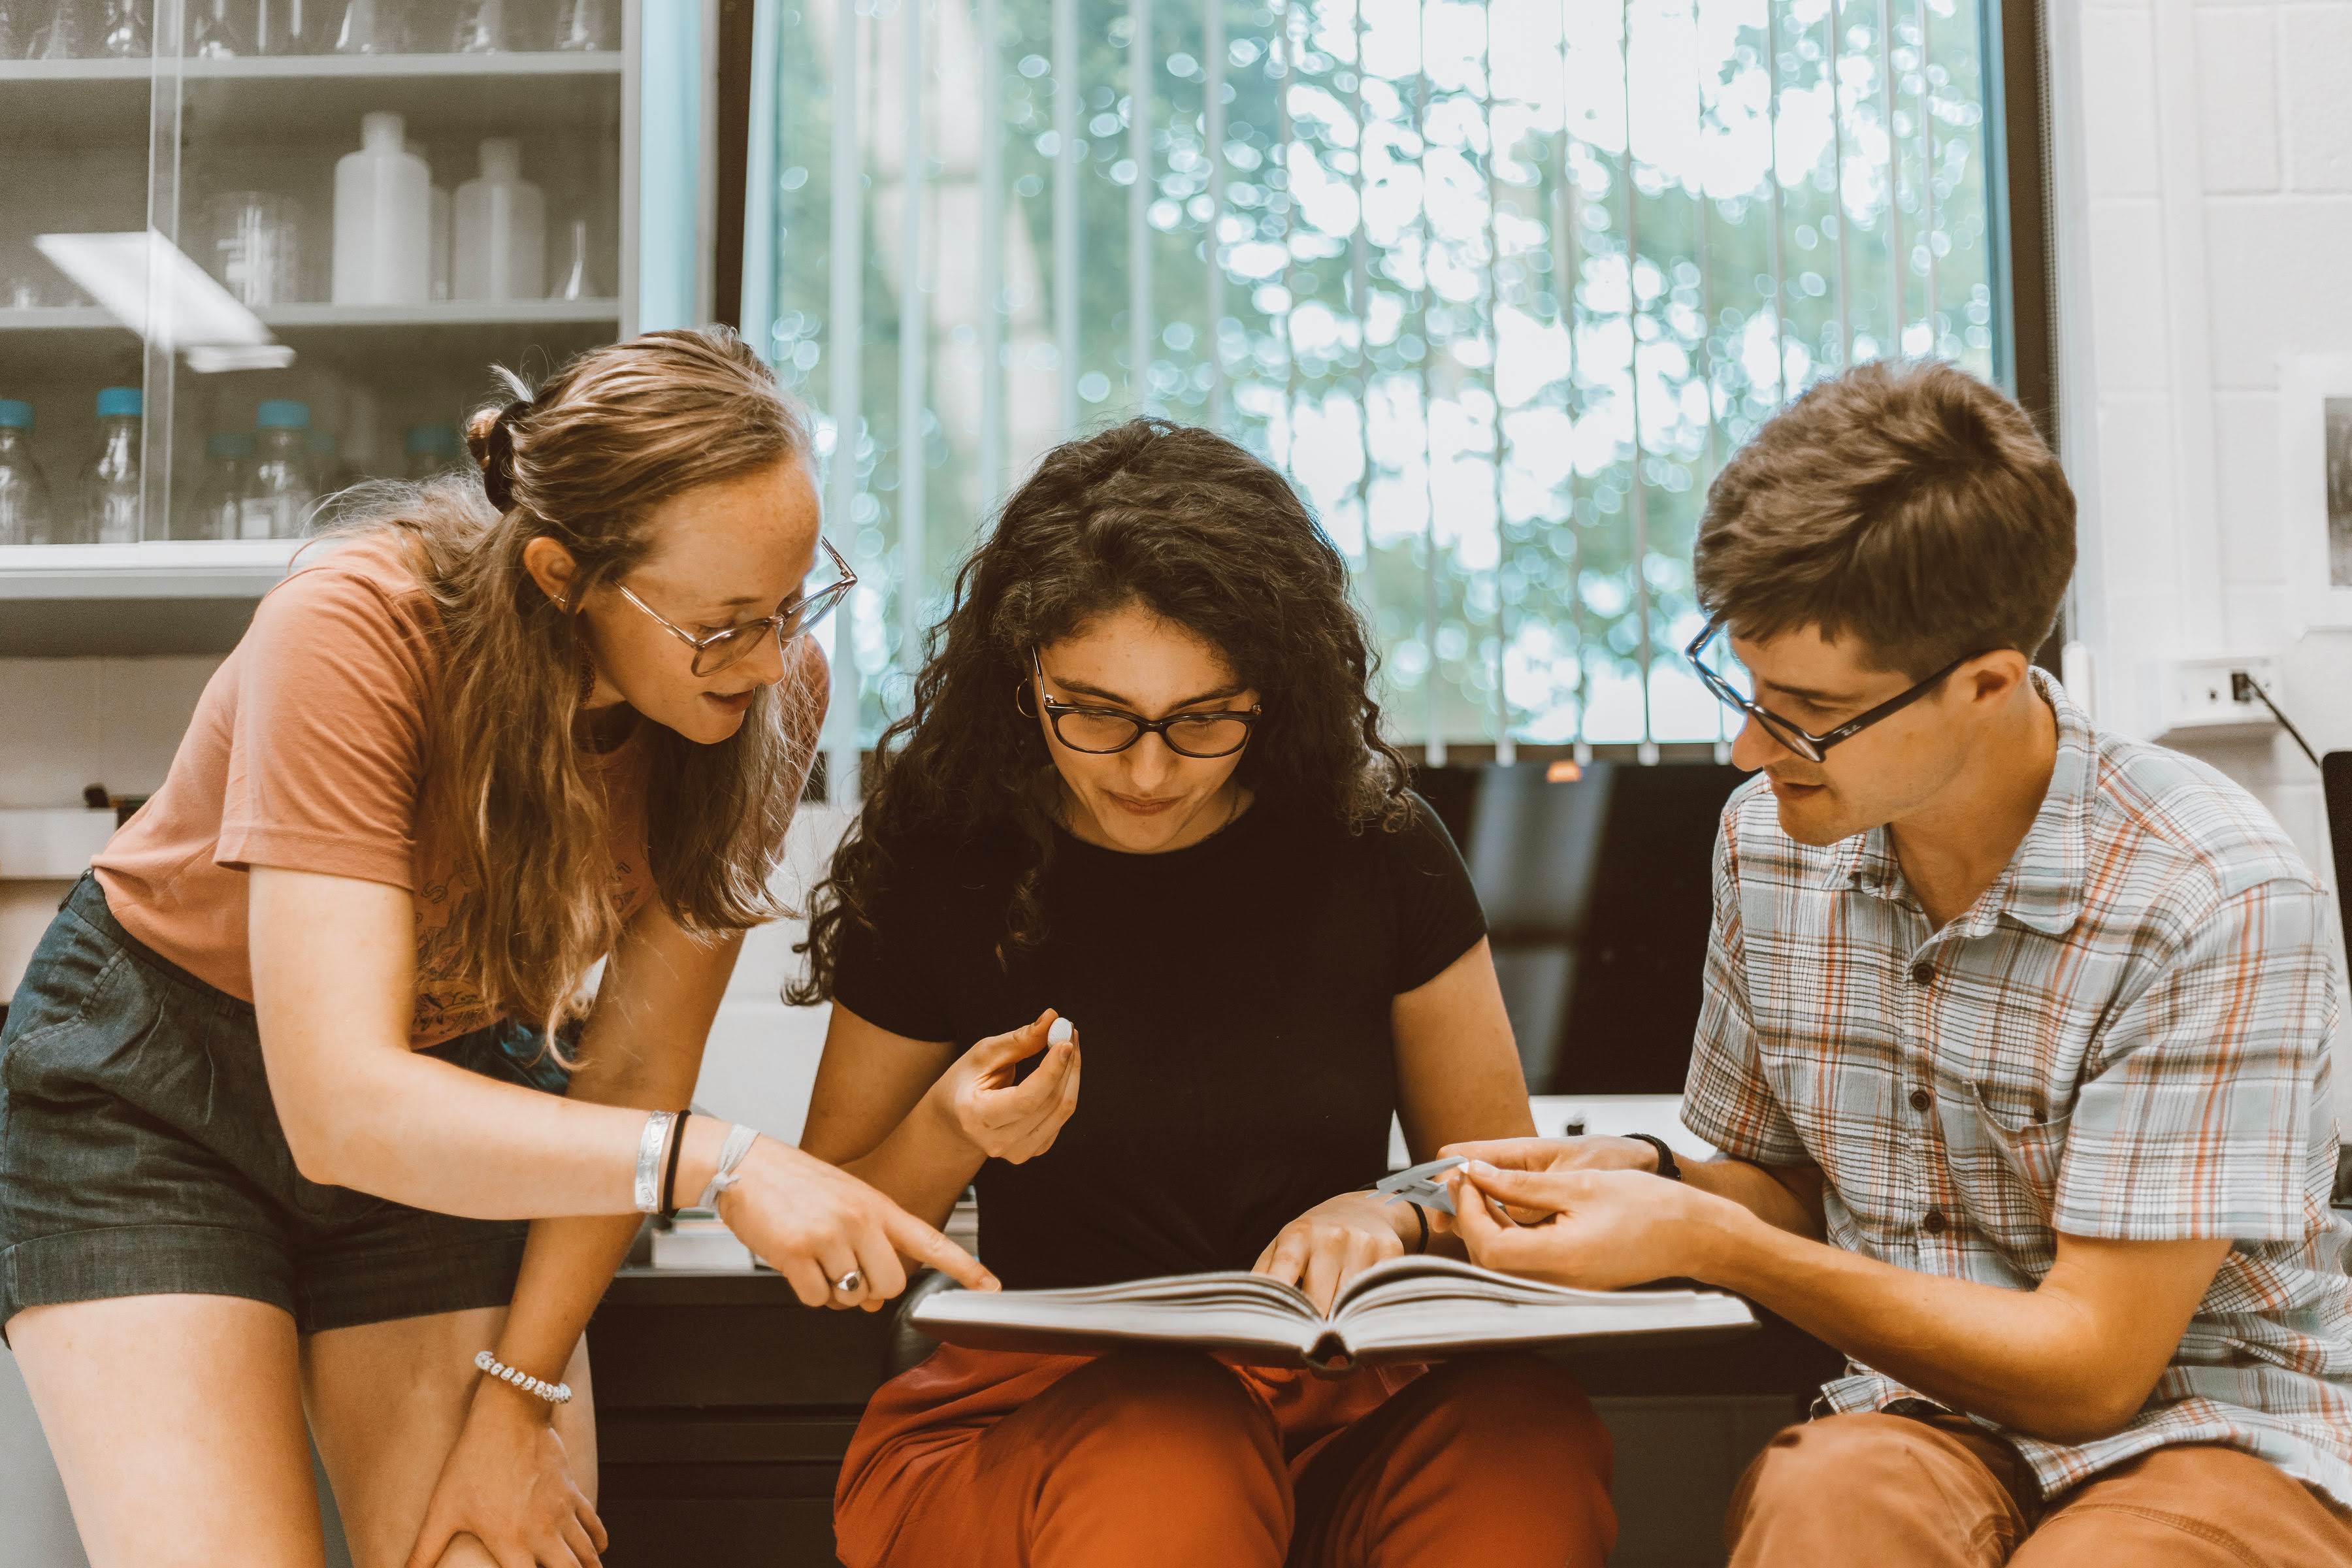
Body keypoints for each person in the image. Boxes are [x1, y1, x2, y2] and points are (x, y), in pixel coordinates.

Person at [0, 327, 992, 1568]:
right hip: (151, 1100)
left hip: (457, 1080)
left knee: (491, 1551)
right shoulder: (357, 629)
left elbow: (635, 1072)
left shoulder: (770, 690)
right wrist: (728, 1165)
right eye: (724, 622)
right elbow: (341, 1107)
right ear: (561, 572)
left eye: (797, 602)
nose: (768, 654)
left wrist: (516, 1404)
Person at [1441, 360, 2352, 1567]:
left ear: (1988, 683)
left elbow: (2091, 1367)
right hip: (1920, 1414)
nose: (1746, 749)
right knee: (1827, 1512)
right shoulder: (1771, 841)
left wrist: (1706, 1243)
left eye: (1807, 710)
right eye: (1745, 684)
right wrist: (1654, 1179)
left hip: (2210, 1421)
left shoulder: (2208, 892)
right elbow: (1781, 1188)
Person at [792, 417, 1616, 1568]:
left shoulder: (1373, 844)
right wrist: (952, 1129)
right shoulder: (949, 856)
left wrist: (1395, 1211)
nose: (1145, 770)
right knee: (1176, 1440)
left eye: (1202, 719)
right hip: (1040, 1421)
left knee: (1524, 1435)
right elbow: (825, 1246)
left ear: (1273, 693)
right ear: (1020, 673)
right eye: (1093, 711)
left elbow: (1509, 1194)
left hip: (1341, 1403)